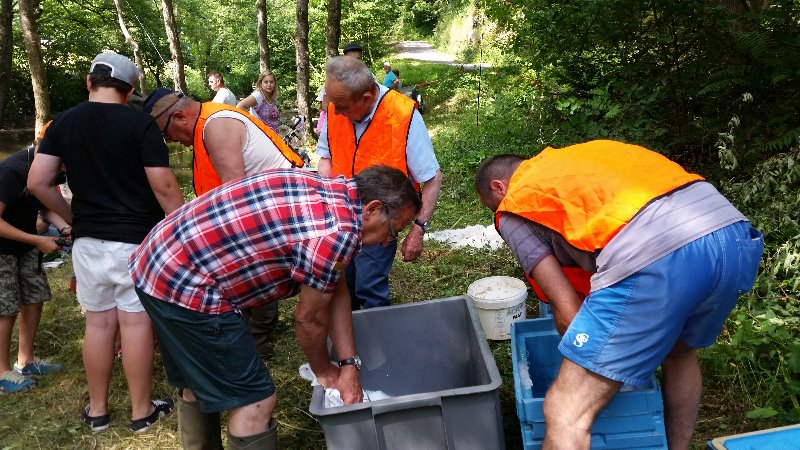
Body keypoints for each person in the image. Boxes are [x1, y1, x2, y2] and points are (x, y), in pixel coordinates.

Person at [474, 140, 764, 449]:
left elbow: (566, 308)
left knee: (566, 410)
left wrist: (589, 365)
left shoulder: (515, 204)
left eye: (491, 206)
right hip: (731, 234)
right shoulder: (575, 159)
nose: (498, 215)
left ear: (499, 187)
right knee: (679, 353)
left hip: (658, 254)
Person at [129, 165, 421, 450]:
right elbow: (309, 320)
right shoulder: (336, 234)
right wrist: (324, 371)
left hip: (159, 259)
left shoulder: (335, 193)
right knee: (255, 402)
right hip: (186, 284)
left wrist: (348, 364)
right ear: (371, 209)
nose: (387, 242)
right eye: (393, 231)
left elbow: (336, 287)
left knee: (198, 380)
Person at [27, 51, 185, 433]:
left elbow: (37, 182)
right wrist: (184, 232)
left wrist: (71, 219)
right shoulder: (140, 123)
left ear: (89, 82)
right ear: (130, 89)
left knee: (98, 326)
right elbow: (164, 186)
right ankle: (141, 412)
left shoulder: (63, 123)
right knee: (135, 326)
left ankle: (97, 411)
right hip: (135, 243)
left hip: (88, 244)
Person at [143, 88, 305, 358]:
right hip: (267, 205)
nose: (169, 140)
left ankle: (256, 340)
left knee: (249, 261)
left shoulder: (216, 127)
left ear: (180, 117)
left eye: (165, 133)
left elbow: (235, 202)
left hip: (280, 208)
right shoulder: (208, 123)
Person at [317, 56, 443, 310]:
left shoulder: (402, 114)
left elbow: (431, 179)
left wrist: (418, 228)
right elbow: (325, 158)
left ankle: (378, 338)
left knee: (369, 286)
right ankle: (350, 341)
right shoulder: (335, 106)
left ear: (365, 98)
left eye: (341, 106)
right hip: (339, 219)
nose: (335, 110)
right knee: (343, 284)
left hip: (379, 222)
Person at [0, 135, 67, 394]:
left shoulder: (51, 168)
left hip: (27, 245)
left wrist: (64, 226)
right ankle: (2, 372)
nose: (62, 170)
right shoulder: (11, 172)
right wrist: (37, 240)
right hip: (4, 247)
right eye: (61, 163)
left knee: (34, 297)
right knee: (5, 308)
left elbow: (44, 204)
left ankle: (25, 361)